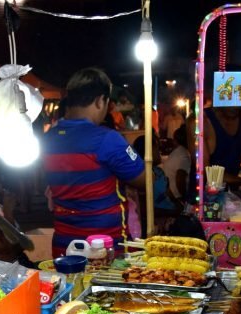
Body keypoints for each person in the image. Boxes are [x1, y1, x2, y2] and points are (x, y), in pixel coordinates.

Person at [41, 67, 146, 257]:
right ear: (100, 101)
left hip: (64, 249)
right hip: (104, 250)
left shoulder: (47, 139)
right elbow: (144, 179)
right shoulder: (107, 139)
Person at [201, 106, 241, 184]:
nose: (234, 105)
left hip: (232, 191)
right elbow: (205, 173)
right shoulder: (201, 121)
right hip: (205, 193)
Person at [162, 127, 191, 203]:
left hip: (170, 195)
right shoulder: (183, 155)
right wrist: (185, 199)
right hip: (176, 198)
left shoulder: (177, 152)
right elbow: (180, 180)